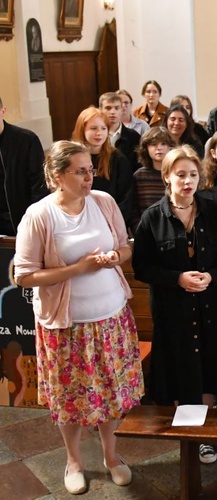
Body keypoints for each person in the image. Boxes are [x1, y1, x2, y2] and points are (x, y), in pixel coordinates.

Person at [14, 140, 144, 494]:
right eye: (81, 171)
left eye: (91, 169)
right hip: (66, 326)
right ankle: (73, 461)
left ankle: (112, 456)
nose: (90, 177)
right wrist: (78, 268)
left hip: (111, 317)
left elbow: (125, 245)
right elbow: (23, 275)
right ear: (57, 175)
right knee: (69, 397)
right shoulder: (40, 215)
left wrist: (117, 257)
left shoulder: (103, 202)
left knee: (113, 393)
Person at [132, 145, 217, 466]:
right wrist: (177, 278)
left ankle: (204, 432)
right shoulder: (152, 218)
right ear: (167, 177)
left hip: (210, 307)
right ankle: (191, 437)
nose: (188, 181)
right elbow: (142, 268)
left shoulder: (213, 211)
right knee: (182, 370)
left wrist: (212, 276)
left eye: (193, 174)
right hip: (173, 309)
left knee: (207, 366)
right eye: (180, 175)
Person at [71, 107, 133, 222]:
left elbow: (126, 198)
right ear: (82, 130)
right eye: (93, 128)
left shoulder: (118, 159)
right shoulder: (72, 159)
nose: (99, 133)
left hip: (110, 220)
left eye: (103, 128)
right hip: (78, 219)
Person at [0, 95, 47, 235]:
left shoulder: (26, 140)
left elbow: (39, 184)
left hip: (20, 220)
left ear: (3, 111)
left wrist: (35, 220)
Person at [131, 126, 174, 229]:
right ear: (146, 148)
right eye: (153, 144)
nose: (159, 148)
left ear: (170, 147)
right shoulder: (139, 176)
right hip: (147, 229)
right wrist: (140, 229)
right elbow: (134, 209)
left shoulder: (177, 173)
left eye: (163, 144)